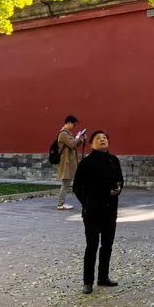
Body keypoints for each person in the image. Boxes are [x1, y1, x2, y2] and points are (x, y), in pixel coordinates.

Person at [72, 130, 124, 295]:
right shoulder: (86, 163)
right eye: (98, 138)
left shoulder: (113, 160)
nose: (102, 140)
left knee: (107, 245)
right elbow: (77, 187)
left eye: (104, 138)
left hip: (110, 210)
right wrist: (86, 203)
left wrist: (118, 189)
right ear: (92, 144)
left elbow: (120, 180)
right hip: (92, 212)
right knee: (92, 246)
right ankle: (88, 281)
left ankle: (103, 277)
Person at [56, 115, 85, 211]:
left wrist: (81, 139)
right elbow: (72, 144)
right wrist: (77, 137)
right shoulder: (63, 134)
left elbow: (74, 145)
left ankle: (61, 203)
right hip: (66, 162)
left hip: (69, 162)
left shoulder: (67, 133)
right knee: (65, 183)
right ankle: (60, 204)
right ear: (68, 123)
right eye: (74, 124)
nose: (74, 126)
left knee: (67, 182)